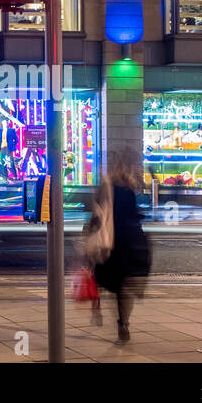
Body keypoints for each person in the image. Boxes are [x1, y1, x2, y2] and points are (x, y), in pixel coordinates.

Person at [90, 147, 151, 343]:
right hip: (128, 242)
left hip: (110, 242)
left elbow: (96, 215)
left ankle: (96, 308)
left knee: (107, 279)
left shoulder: (105, 187)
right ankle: (123, 322)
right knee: (124, 286)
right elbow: (134, 214)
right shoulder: (128, 189)